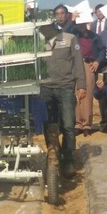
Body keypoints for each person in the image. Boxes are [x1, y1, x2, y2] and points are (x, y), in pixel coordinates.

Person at [39, 23, 86, 179]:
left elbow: (78, 62)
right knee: (49, 124)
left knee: (68, 125)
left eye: (43, 27)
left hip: (65, 86)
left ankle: (69, 159)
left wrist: (81, 85)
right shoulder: (38, 41)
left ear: (51, 25)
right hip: (45, 88)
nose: (41, 30)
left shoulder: (69, 39)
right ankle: (53, 153)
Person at [74, 22, 104, 136]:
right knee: (77, 93)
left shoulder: (94, 36)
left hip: (88, 64)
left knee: (88, 93)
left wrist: (97, 61)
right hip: (76, 64)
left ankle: (87, 124)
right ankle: (77, 123)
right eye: (78, 24)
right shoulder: (74, 35)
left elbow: (102, 50)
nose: (80, 26)